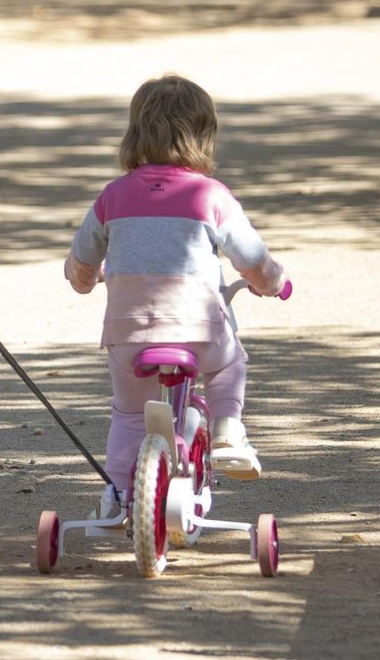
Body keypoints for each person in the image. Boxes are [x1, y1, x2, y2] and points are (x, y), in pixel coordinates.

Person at [64, 74, 288, 517]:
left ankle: (115, 500)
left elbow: (81, 259)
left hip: (128, 332)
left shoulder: (112, 196)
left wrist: (84, 280)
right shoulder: (211, 196)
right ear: (204, 136)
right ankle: (226, 428)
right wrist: (272, 284)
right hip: (198, 327)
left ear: (135, 134)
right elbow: (253, 259)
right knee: (228, 362)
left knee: (129, 415)